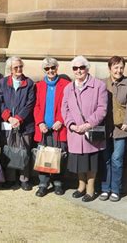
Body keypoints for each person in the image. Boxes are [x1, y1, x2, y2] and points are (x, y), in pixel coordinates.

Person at [62, 56, 107, 202]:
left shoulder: (99, 85)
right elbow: (65, 109)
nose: (79, 71)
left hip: (90, 131)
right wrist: (71, 125)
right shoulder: (68, 88)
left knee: (91, 162)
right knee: (79, 162)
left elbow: (102, 109)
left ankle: (91, 188)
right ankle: (81, 186)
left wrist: (88, 124)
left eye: (82, 67)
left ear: (87, 69)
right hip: (75, 132)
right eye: (75, 68)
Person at [99, 56, 127, 202]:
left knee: (117, 159)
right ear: (110, 68)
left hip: (121, 128)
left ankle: (115, 189)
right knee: (105, 159)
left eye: (121, 67)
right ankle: (104, 188)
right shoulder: (102, 83)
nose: (118, 70)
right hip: (104, 127)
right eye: (115, 67)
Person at [33, 57, 70, 197]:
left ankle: (58, 183)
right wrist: (40, 122)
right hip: (43, 128)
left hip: (58, 128)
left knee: (59, 156)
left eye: (52, 67)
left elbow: (68, 106)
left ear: (57, 68)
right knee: (42, 155)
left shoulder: (66, 84)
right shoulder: (39, 85)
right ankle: (43, 183)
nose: (50, 71)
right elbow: (36, 106)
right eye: (47, 68)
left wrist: (61, 120)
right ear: (44, 70)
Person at [0, 56, 36, 191]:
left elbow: (30, 104)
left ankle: (24, 179)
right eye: (16, 67)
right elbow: (0, 102)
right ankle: (10, 178)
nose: (19, 69)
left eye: (20, 66)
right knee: (9, 150)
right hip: (8, 124)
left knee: (24, 150)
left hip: (25, 124)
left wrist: (19, 118)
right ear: (10, 69)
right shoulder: (3, 82)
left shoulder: (29, 83)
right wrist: (9, 118)